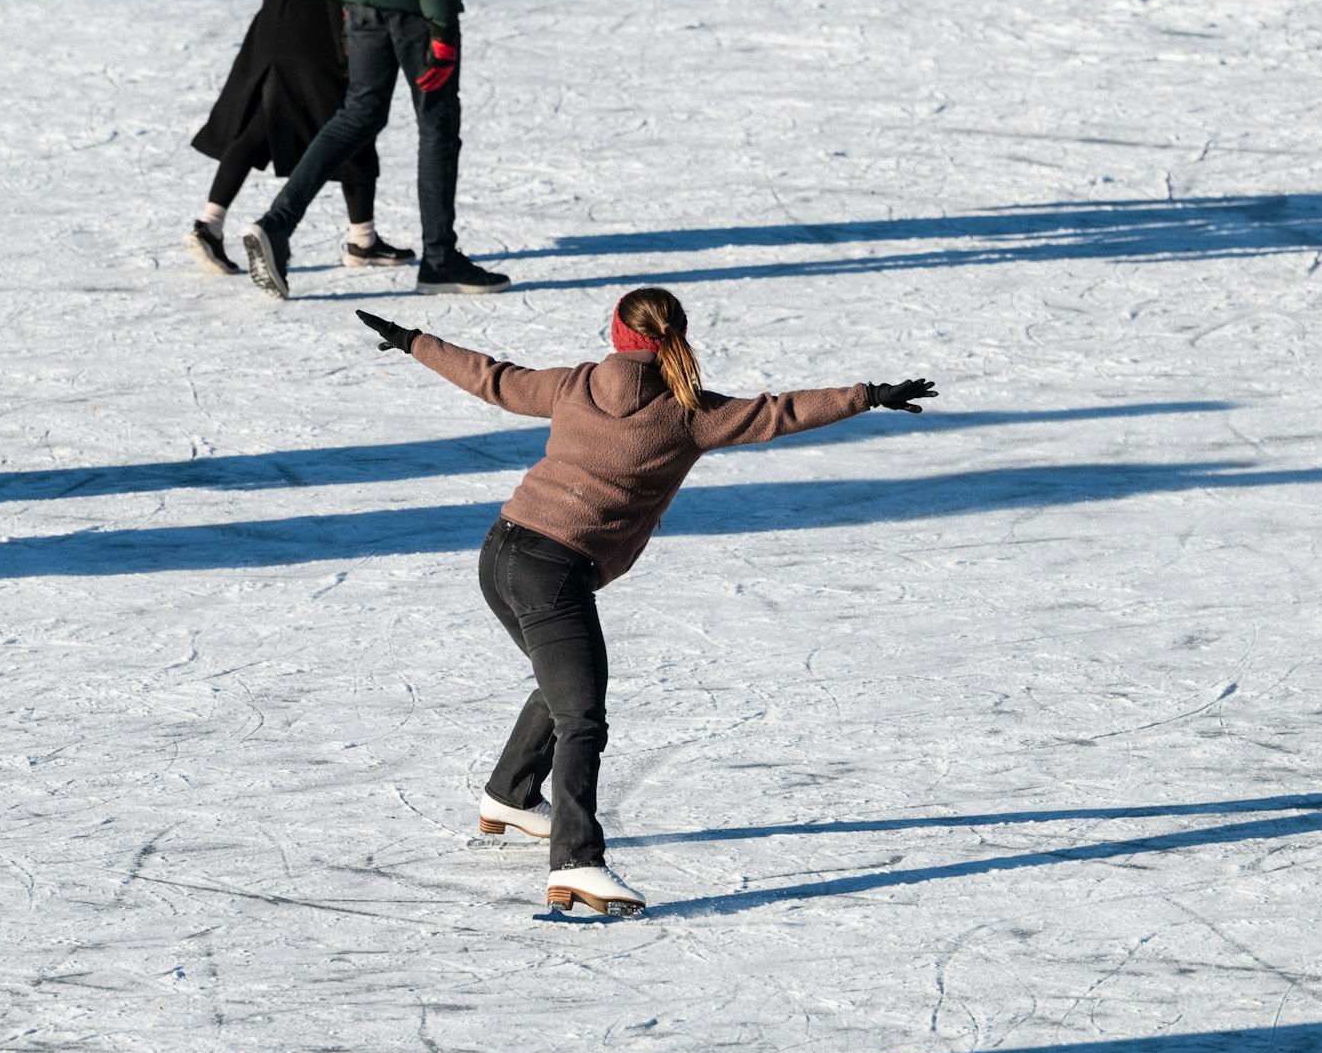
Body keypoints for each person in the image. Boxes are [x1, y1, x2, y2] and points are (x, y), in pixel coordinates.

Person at [355, 288, 938, 915]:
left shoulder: (575, 384)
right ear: (675, 336)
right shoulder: (690, 412)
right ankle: (577, 863)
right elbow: (781, 411)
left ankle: (511, 795)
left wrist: (414, 340)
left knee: (563, 685)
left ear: (617, 334)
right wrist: (869, 395)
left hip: (501, 553)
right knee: (583, 717)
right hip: (552, 571)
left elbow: (492, 379)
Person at [241, 0, 510, 299]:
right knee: (437, 125)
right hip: (414, 4)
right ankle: (440, 261)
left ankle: (277, 223)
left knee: (359, 113)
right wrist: (441, 26)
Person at [185, 0, 413, 278]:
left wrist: (275, 4)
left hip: (274, 12)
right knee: (354, 121)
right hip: (317, 24)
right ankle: (363, 241)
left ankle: (210, 224)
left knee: (260, 125)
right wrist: (342, 33)